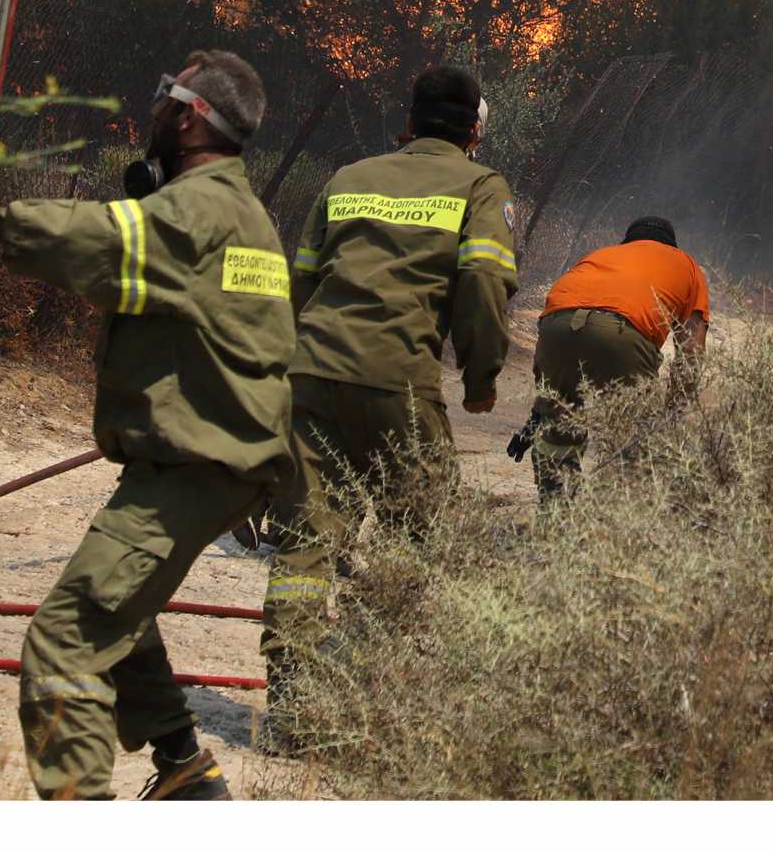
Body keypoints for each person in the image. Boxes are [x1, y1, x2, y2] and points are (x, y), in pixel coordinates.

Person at [0, 49, 293, 802]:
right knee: (123, 604)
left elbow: (105, 242)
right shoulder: (240, 210)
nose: (153, 113)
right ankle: (184, 766)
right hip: (215, 460)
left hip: (196, 465)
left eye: (165, 99)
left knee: (66, 639)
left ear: (189, 115)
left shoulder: (198, 210)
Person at [260, 65, 518, 720]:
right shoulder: (480, 185)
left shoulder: (348, 179)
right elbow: (484, 283)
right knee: (415, 538)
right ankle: (370, 692)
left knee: (306, 542)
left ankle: (293, 703)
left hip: (312, 374)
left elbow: (301, 284)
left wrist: (297, 366)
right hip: (398, 383)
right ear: (475, 134)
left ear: (408, 125)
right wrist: (482, 376)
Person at [520, 216, 710, 501]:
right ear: (672, 245)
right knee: (633, 442)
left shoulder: (601, 255)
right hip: (622, 333)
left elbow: (556, 314)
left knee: (558, 428)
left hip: (556, 327)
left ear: (628, 240)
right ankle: (616, 528)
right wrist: (671, 412)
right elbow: (691, 351)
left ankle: (555, 521)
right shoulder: (687, 265)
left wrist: (544, 406)